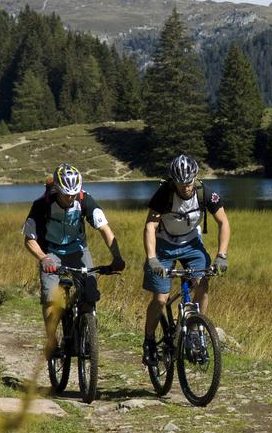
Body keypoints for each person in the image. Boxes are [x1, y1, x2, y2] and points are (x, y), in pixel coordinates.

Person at [23, 164, 125, 351]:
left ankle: (86, 332)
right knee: (50, 296)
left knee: (90, 293)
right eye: (66, 194)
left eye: (74, 193)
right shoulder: (41, 204)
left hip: (78, 250)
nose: (70, 198)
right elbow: (29, 239)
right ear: (57, 189)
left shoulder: (85, 200)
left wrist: (117, 256)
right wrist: (43, 258)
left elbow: (105, 229)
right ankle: (52, 338)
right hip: (51, 251)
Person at [141, 154, 230, 365]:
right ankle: (149, 341)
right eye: (180, 184)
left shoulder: (205, 193)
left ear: (195, 178)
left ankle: (195, 330)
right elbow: (150, 227)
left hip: (192, 245)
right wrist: (152, 259)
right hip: (164, 246)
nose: (185, 188)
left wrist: (221, 255)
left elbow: (223, 222)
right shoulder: (164, 194)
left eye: (188, 183)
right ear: (173, 180)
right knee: (161, 299)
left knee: (202, 283)